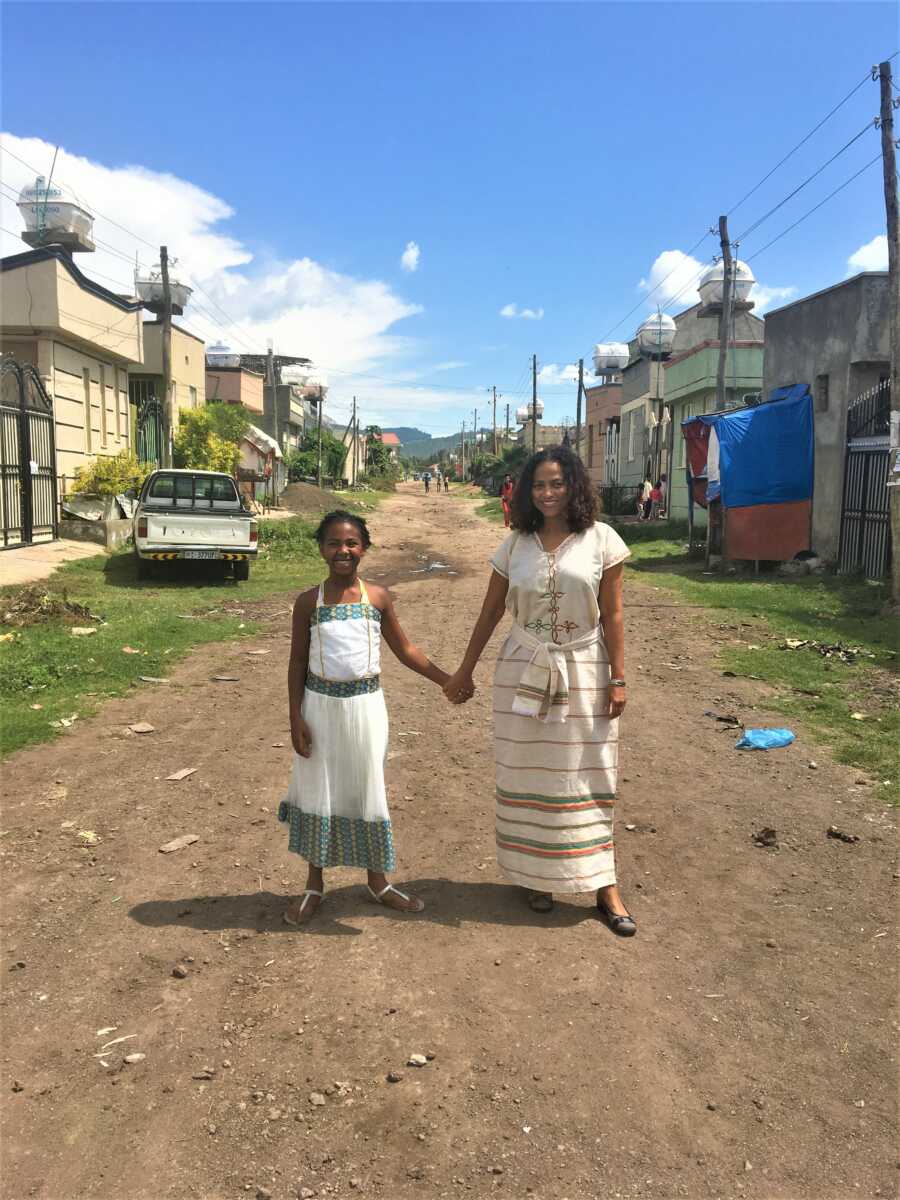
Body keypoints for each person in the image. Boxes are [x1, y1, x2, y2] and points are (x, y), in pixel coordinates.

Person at [443, 446, 636, 935]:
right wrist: (464, 670)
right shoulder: (515, 545)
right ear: (527, 492)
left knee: (590, 773)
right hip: (521, 670)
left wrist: (619, 677)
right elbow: (489, 613)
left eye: (556, 483)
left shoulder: (603, 541)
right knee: (530, 774)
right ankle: (535, 875)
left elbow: (612, 615)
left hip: (586, 670)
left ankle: (603, 884)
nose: (548, 493)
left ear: (574, 484)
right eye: (538, 485)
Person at [280, 510, 455, 925]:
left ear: (364, 548)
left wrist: (447, 680)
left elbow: (406, 650)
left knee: (367, 787)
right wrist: (295, 717)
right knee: (317, 789)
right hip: (319, 709)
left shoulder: (377, 597)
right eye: (334, 543)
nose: (343, 551)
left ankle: (378, 882)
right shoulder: (308, 603)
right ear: (321, 549)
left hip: (366, 709)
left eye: (352, 543)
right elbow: (297, 662)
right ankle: (313, 884)